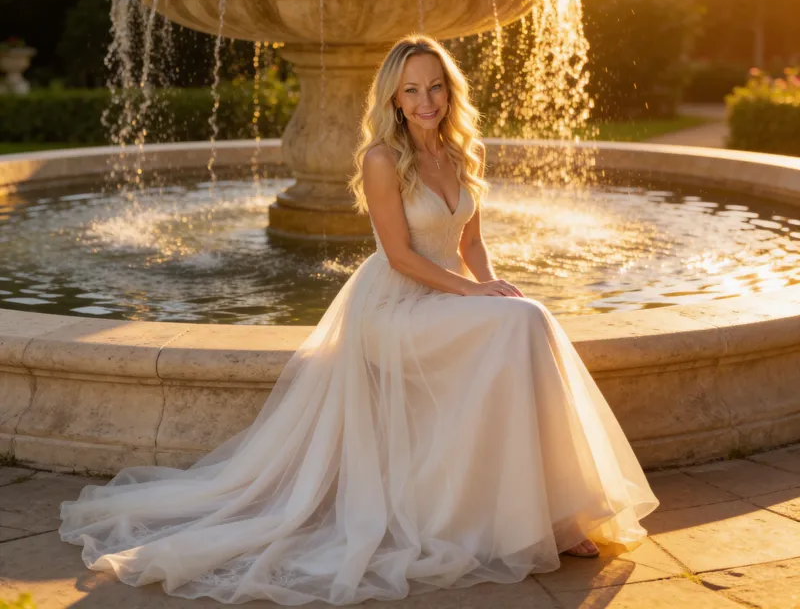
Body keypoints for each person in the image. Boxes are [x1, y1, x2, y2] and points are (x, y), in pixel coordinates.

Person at [60, 34, 659, 605]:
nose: (426, 101)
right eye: (411, 91)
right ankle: (547, 517)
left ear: (451, 92)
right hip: (395, 306)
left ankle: (555, 513)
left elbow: (472, 244)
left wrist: (489, 287)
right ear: (393, 100)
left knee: (527, 321)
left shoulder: (464, 151)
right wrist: (480, 300)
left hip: (448, 297)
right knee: (521, 324)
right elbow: (400, 255)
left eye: (435, 87)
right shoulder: (381, 159)